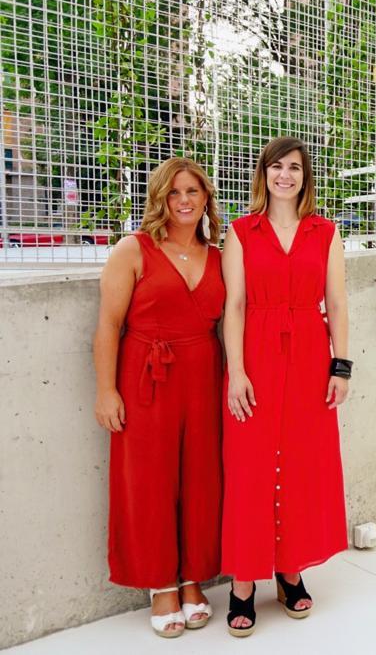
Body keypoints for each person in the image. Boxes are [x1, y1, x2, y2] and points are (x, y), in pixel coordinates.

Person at [221, 136, 350, 637]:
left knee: (301, 463)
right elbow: (233, 306)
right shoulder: (240, 232)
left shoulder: (325, 232)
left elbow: (336, 303)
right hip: (255, 355)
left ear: (305, 177)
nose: (285, 176)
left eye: (294, 168)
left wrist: (341, 367)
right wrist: (236, 371)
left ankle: (289, 568)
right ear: (263, 174)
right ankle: (244, 581)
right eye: (277, 167)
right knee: (250, 466)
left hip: (310, 358)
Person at [93, 157, 225, 638]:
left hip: (204, 375)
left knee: (201, 478)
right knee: (147, 481)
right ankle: (160, 583)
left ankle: (192, 578)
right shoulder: (133, 249)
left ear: (206, 197)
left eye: (192, 191)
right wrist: (106, 391)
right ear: (160, 200)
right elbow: (109, 325)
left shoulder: (219, 254)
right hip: (147, 377)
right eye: (174, 193)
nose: (184, 201)